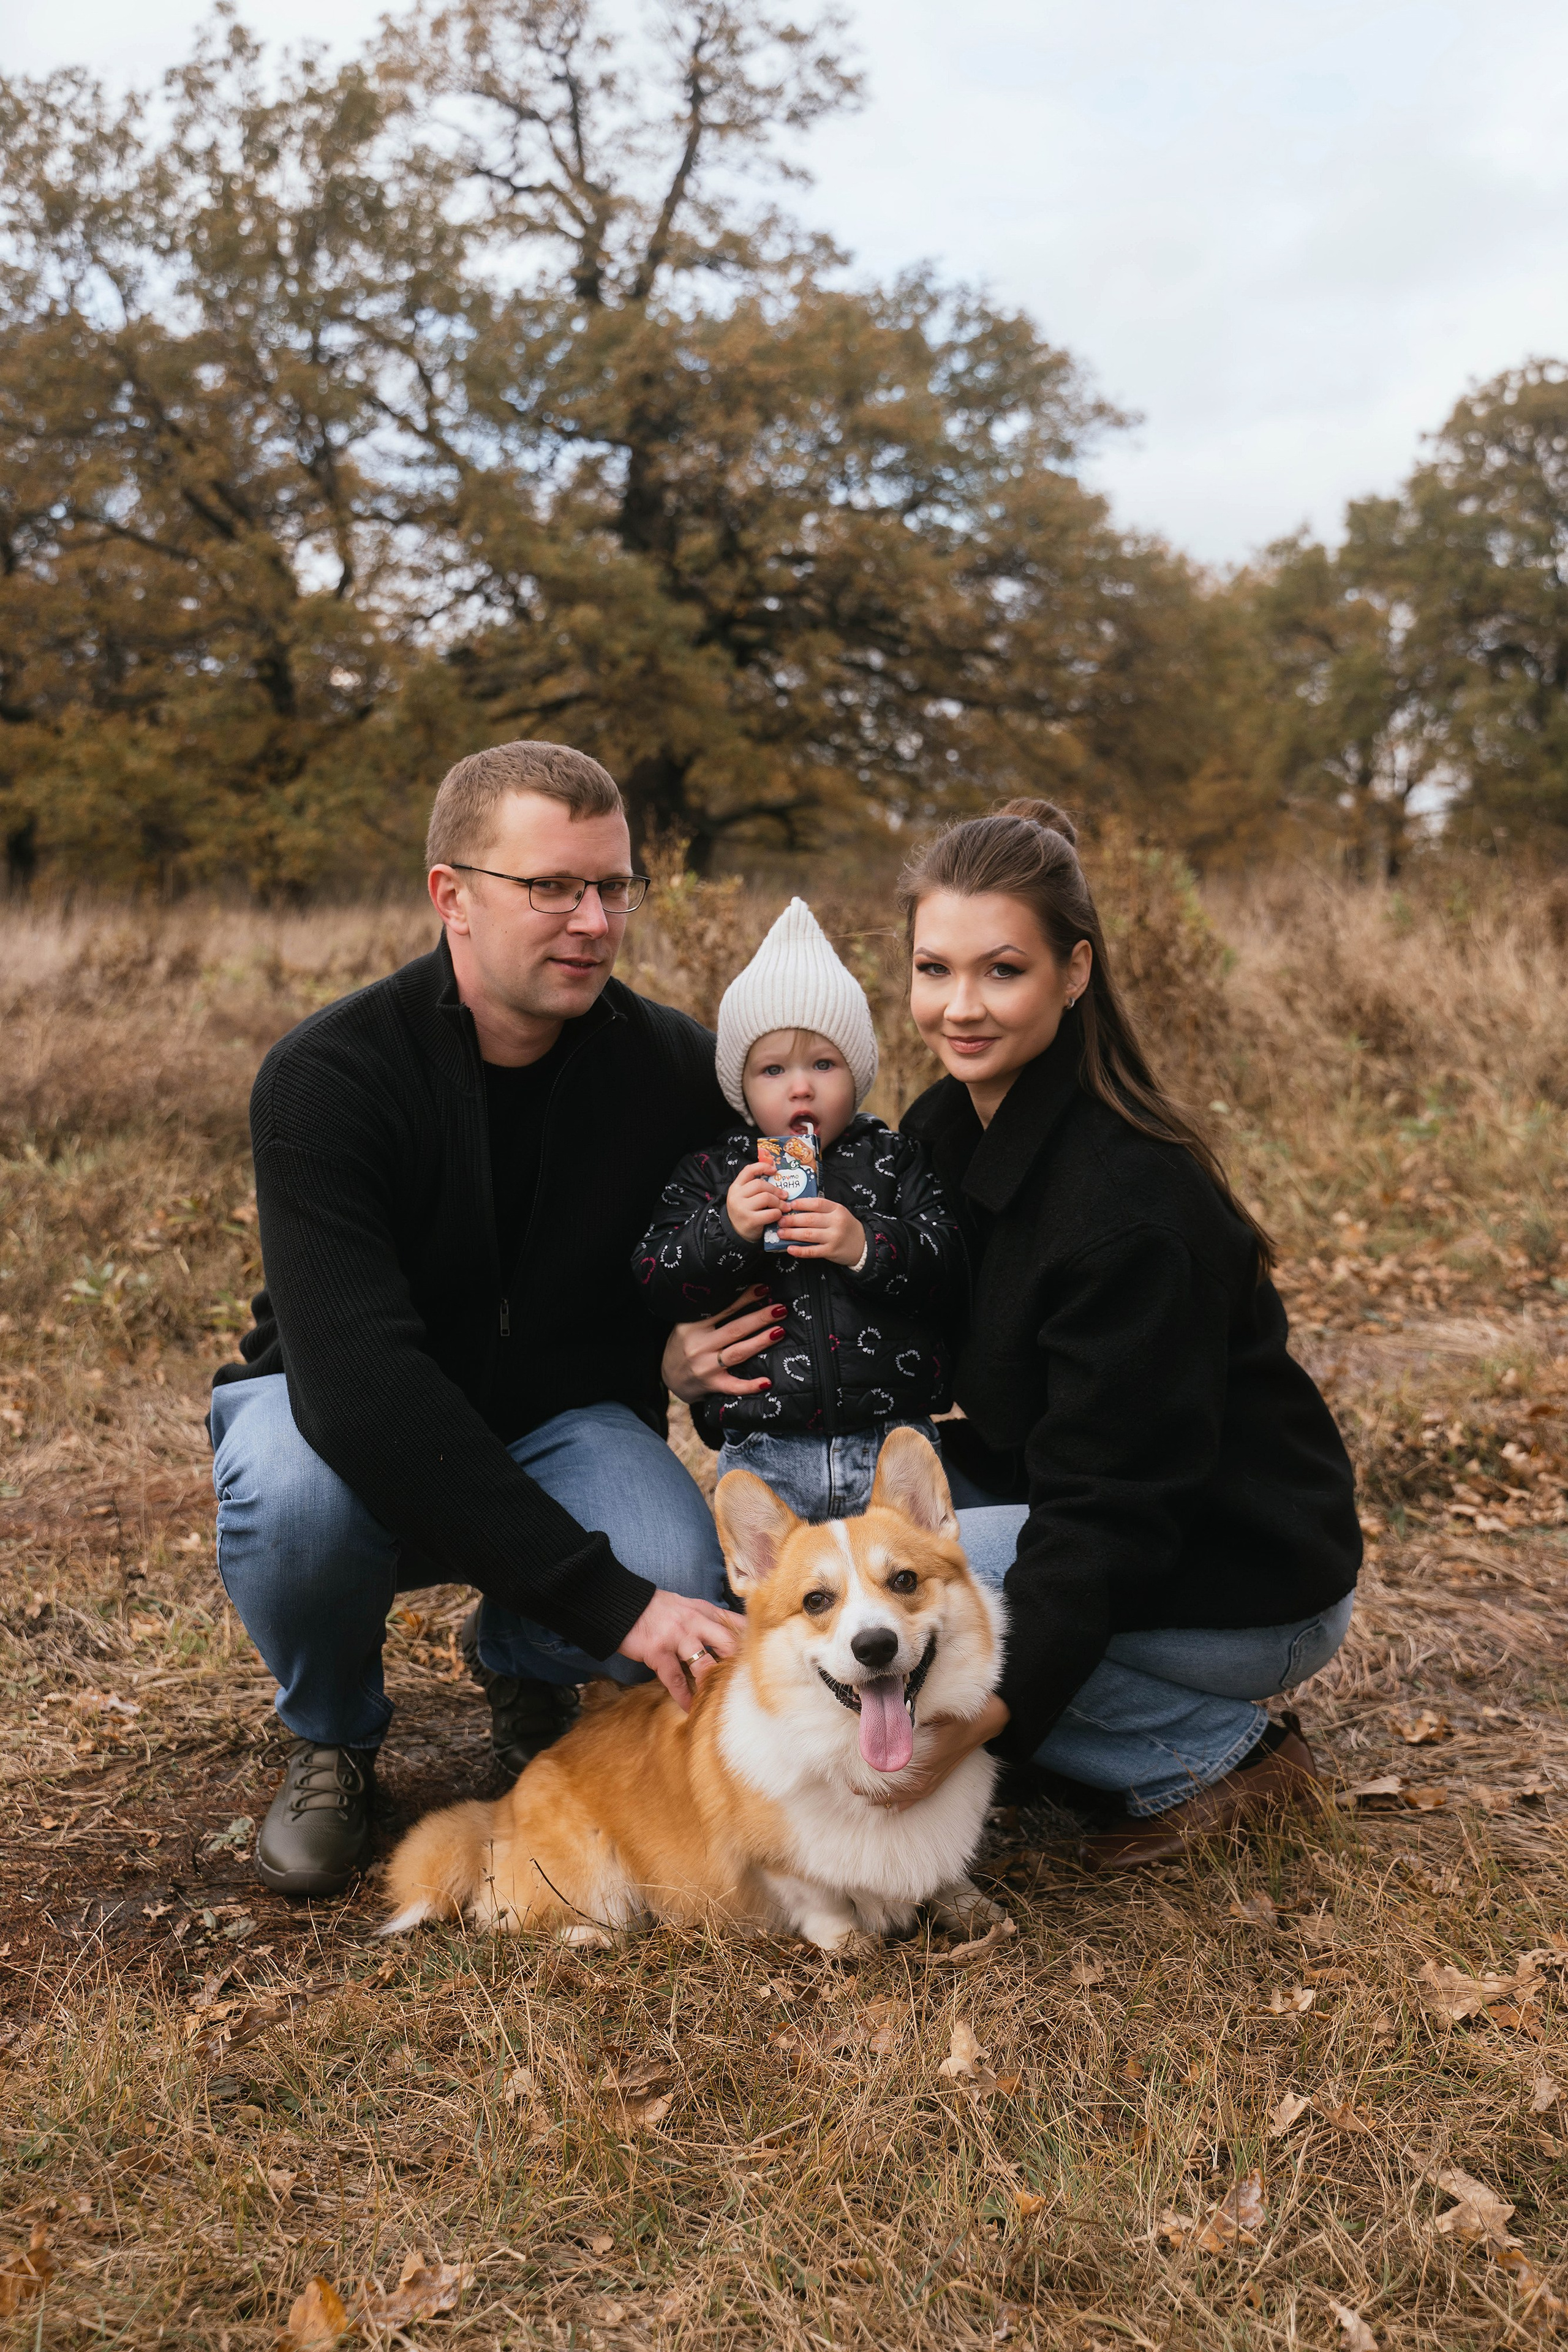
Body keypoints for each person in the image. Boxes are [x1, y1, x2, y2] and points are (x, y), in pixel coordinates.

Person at [208, 741, 784, 1896]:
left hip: (563, 1419)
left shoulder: (672, 1068)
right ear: (451, 895)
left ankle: (523, 1661)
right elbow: (363, 1387)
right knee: (289, 1491)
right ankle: (335, 1735)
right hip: (345, 1424)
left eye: (612, 887)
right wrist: (608, 1602)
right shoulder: (329, 1077)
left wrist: (673, 1340)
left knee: (676, 1557)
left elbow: (720, 1246)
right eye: (551, 888)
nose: (592, 922)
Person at [875, 799, 1362, 1868]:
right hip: (1104, 1521)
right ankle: (1092, 1728)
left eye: (1002, 971)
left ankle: (1216, 1755)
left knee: (907, 1585)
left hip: (1244, 1571)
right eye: (933, 969)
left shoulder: (1133, 1204)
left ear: (1076, 971)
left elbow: (1110, 1518)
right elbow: (901, 1335)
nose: (959, 1007)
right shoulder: (944, 1129)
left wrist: (970, 1737)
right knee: (855, 1549)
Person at [633, 898, 964, 1520]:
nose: (800, 1086)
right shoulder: (712, 1173)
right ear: (741, 1085)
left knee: (902, 1593)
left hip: (890, 1445)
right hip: (767, 1450)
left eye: (823, 1063)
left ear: (857, 1072)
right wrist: (727, 1229)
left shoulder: (894, 1159)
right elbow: (656, 1277)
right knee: (771, 1602)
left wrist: (865, 1245)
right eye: (772, 1068)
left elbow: (950, 1265)